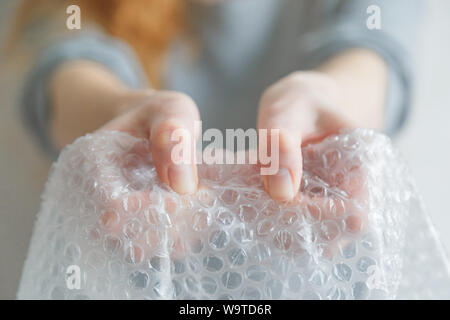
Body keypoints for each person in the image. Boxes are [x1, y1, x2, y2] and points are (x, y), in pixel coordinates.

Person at [14, 0, 420, 201]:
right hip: (126, 270)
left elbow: (375, 40)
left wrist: (328, 100)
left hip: (322, 275)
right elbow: (62, 49)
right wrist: (116, 113)